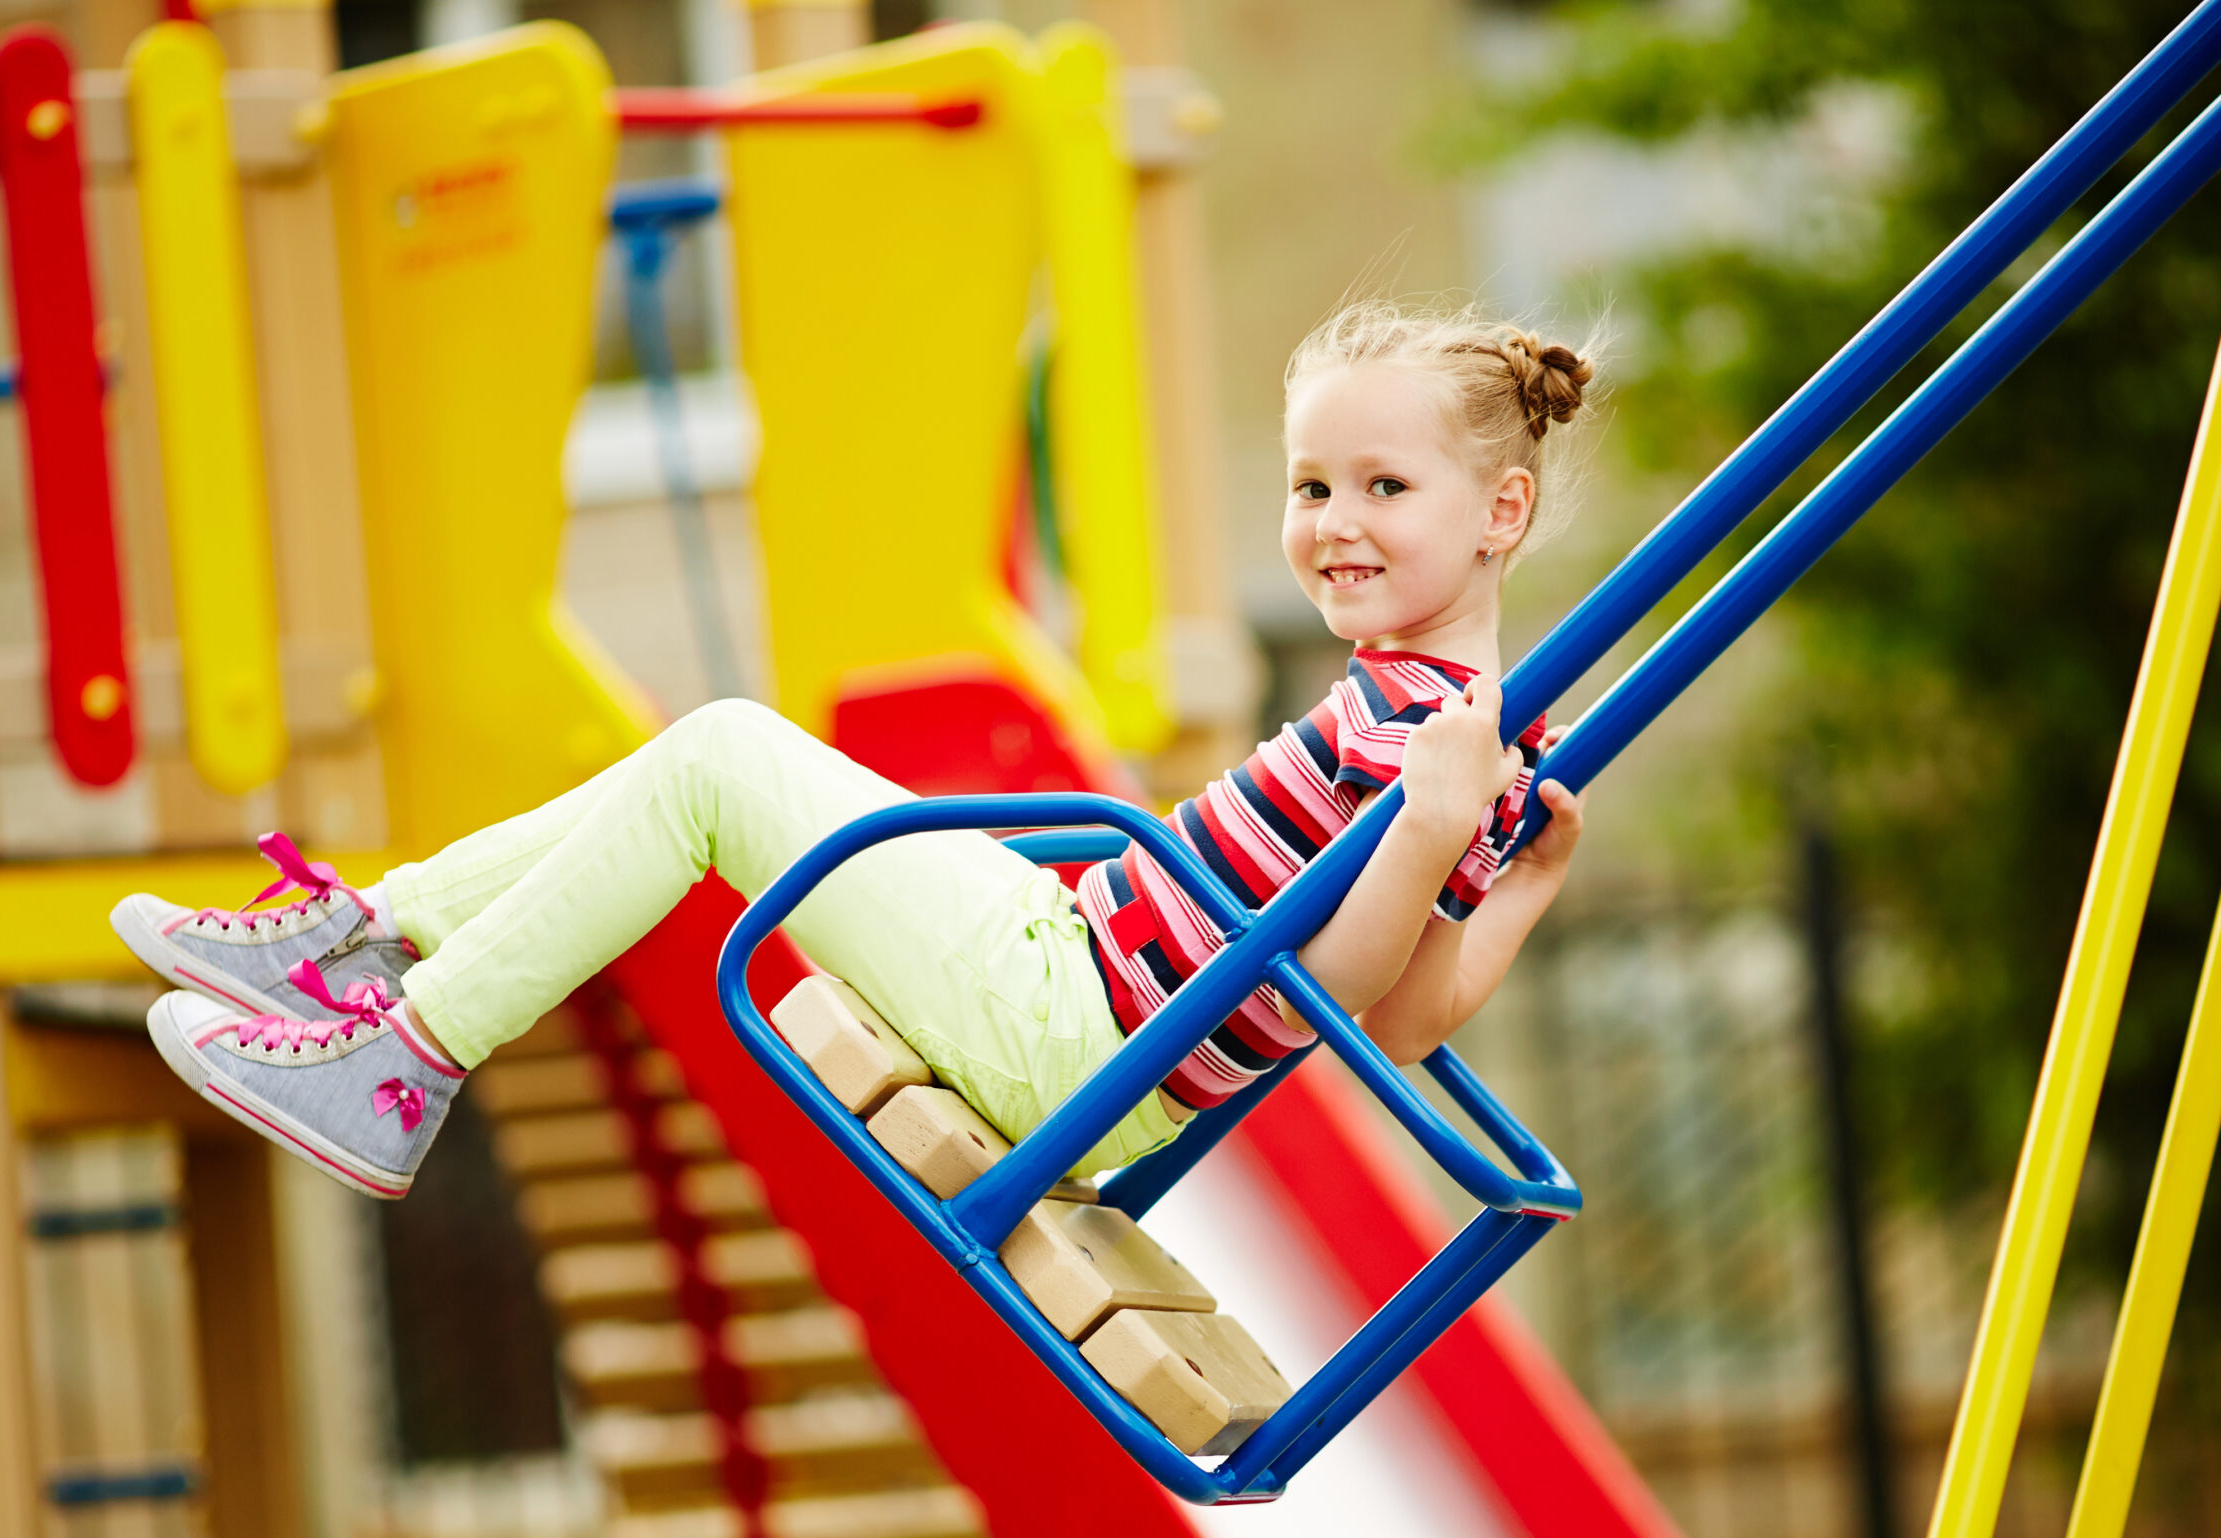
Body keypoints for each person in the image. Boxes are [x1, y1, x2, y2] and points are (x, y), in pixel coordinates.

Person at [111, 300, 1598, 1202]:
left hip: (1079, 1026)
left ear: (1500, 514)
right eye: (1312, 483)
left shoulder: (1436, 745)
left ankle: (399, 1057)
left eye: (1383, 486)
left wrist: (1440, 838)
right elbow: (1409, 1016)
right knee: (715, 755)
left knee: (716, 762)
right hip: (1065, 947)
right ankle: (372, 942)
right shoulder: (1444, 732)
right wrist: (1520, 881)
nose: (1333, 523)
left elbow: (1345, 1006)